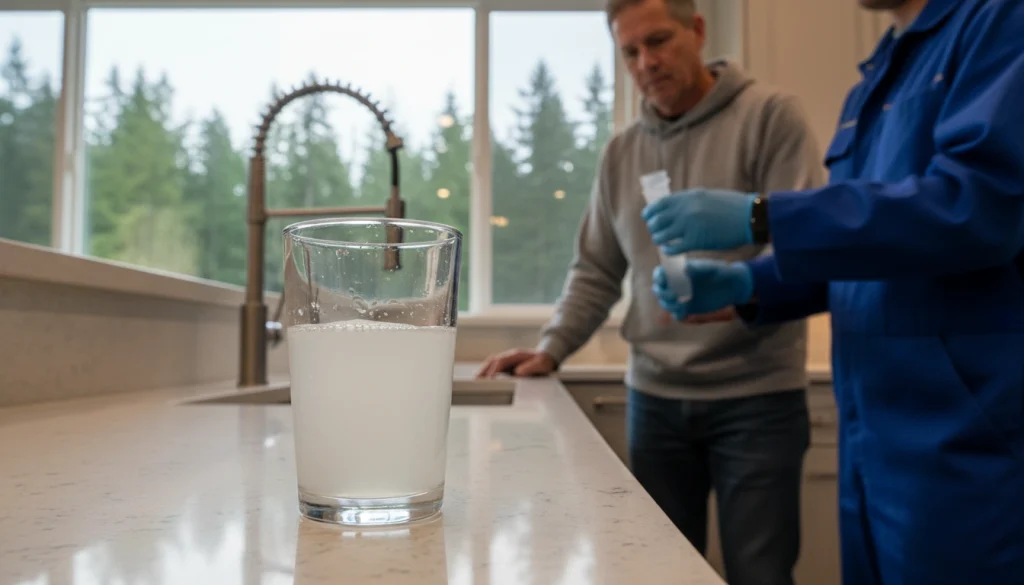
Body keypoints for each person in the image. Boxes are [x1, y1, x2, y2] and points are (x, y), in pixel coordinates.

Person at [642, 0, 1024, 584]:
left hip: (963, 447)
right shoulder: (879, 75)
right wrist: (753, 283)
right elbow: (868, 251)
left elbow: (978, 207)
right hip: (871, 447)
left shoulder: (998, 22)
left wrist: (765, 216)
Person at [477, 1, 825, 583]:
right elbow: (595, 268)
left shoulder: (769, 116)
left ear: (697, 30)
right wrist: (551, 347)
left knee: (760, 573)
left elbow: (804, 241)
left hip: (757, 395)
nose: (646, 62)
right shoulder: (621, 153)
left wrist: (744, 287)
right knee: (657, 572)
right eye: (630, 51)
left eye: (659, 41)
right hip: (655, 399)